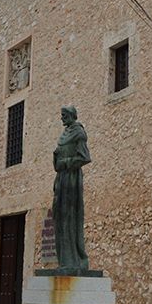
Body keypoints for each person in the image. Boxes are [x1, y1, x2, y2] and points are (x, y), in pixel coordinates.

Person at [52, 105, 91, 270]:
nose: (61, 118)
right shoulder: (64, 134)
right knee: (59, 217)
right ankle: (63, 260)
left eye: (63, 115)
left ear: (70, 115)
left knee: (69, 217)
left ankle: (73, 261)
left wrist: (66, 162)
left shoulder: (79, 133)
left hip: (71, 180)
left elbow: (84, 157)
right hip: (61, 179)